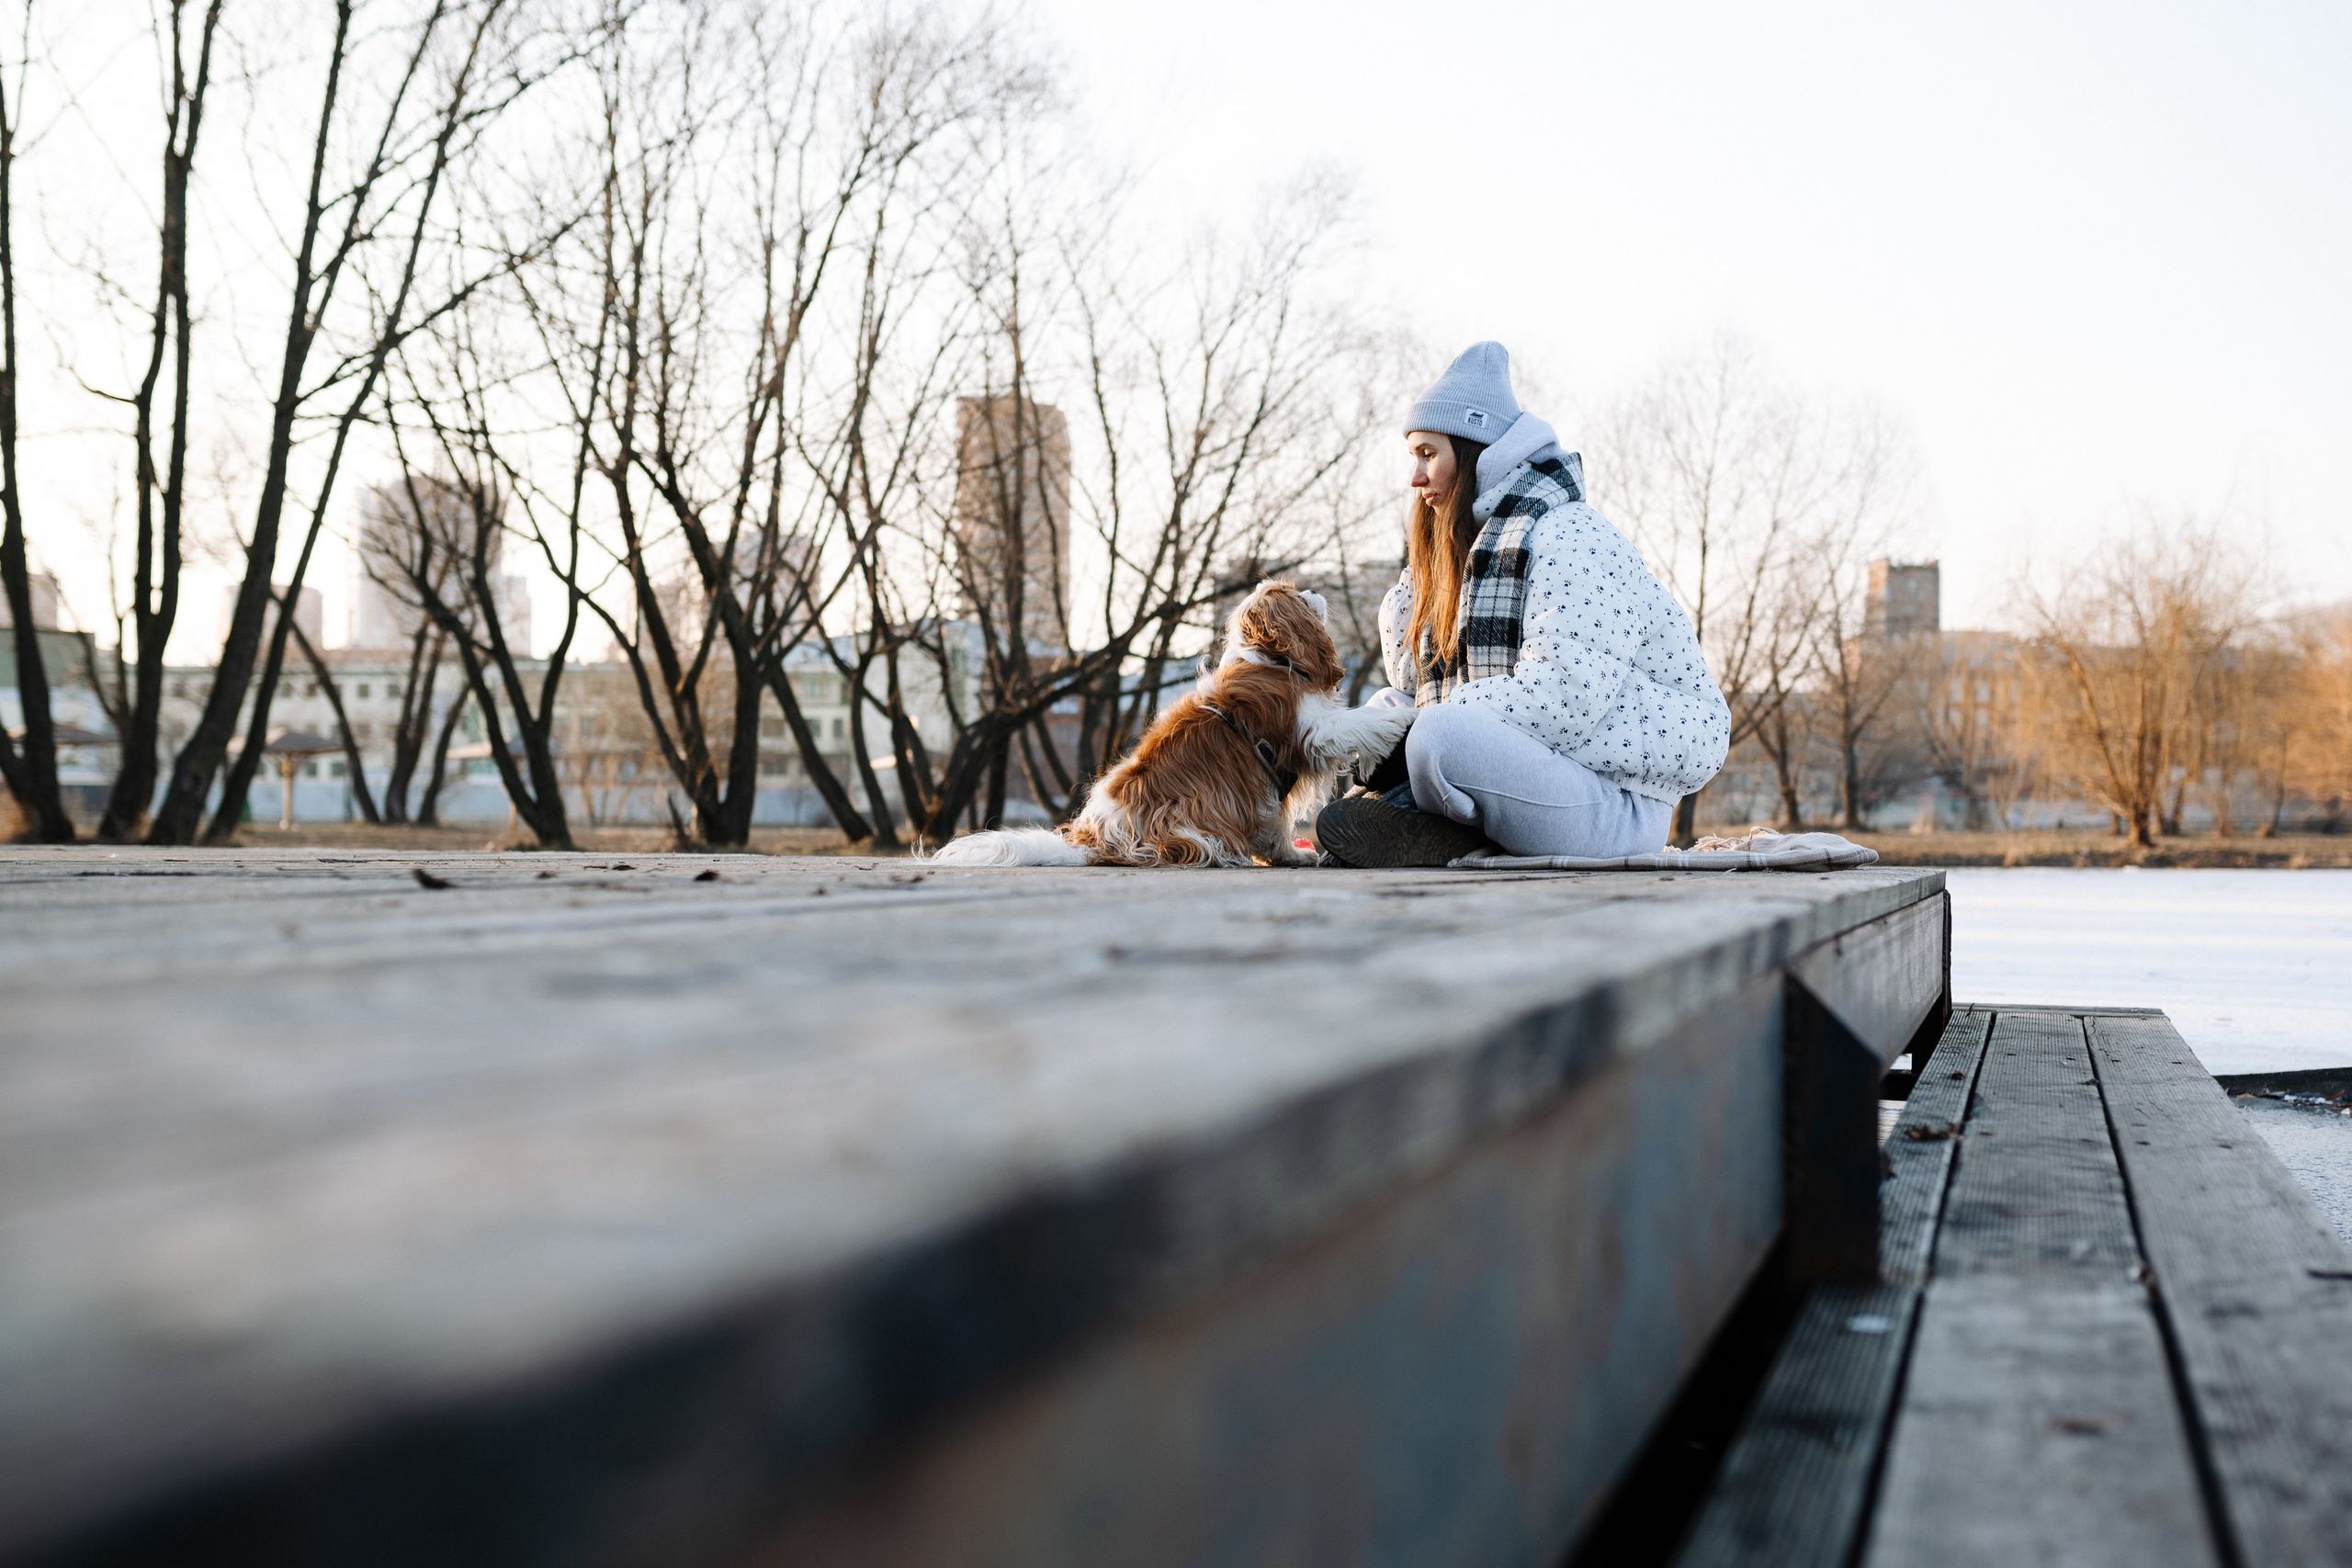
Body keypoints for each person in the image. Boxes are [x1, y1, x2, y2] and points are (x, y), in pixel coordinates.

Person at [1317, 342, 1730, 867]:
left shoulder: (1570, 536)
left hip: (1616, 800)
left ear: (1471, 456)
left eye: (1428, 455)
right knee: (1386, 715)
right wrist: (1420, 579)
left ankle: (1428, 827)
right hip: (1541, 773)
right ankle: (1438, 831)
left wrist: (1416, 729)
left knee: (1435, 736)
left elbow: (1567, 695)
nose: (1414, 479)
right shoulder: (1472, 553)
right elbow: (1410, 685)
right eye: (1413, 458)